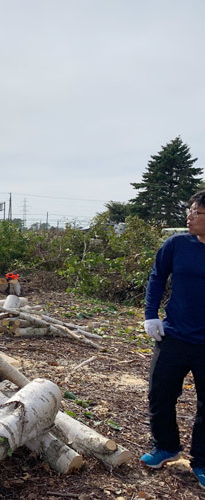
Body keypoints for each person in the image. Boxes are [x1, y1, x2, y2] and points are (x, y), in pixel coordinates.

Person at [140, 189, 205, 489]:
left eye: (198, 212)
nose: (190, 216)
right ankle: (166, 447)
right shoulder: (177, 244)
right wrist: (150, 314)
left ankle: (202, 461)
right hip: (174, 335)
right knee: (160, 393)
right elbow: (157, 276)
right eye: (189, 210)